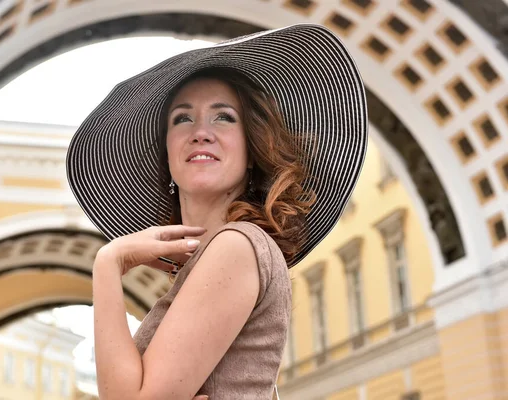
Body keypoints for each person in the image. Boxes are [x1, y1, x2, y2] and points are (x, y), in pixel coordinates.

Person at [66, 24, 368, 400]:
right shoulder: (220, 255)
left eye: (223, 117)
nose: (201, 132)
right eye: (182, 118)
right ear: (167, 156)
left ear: (252, 151)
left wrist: (108, 263)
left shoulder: (237, 247)